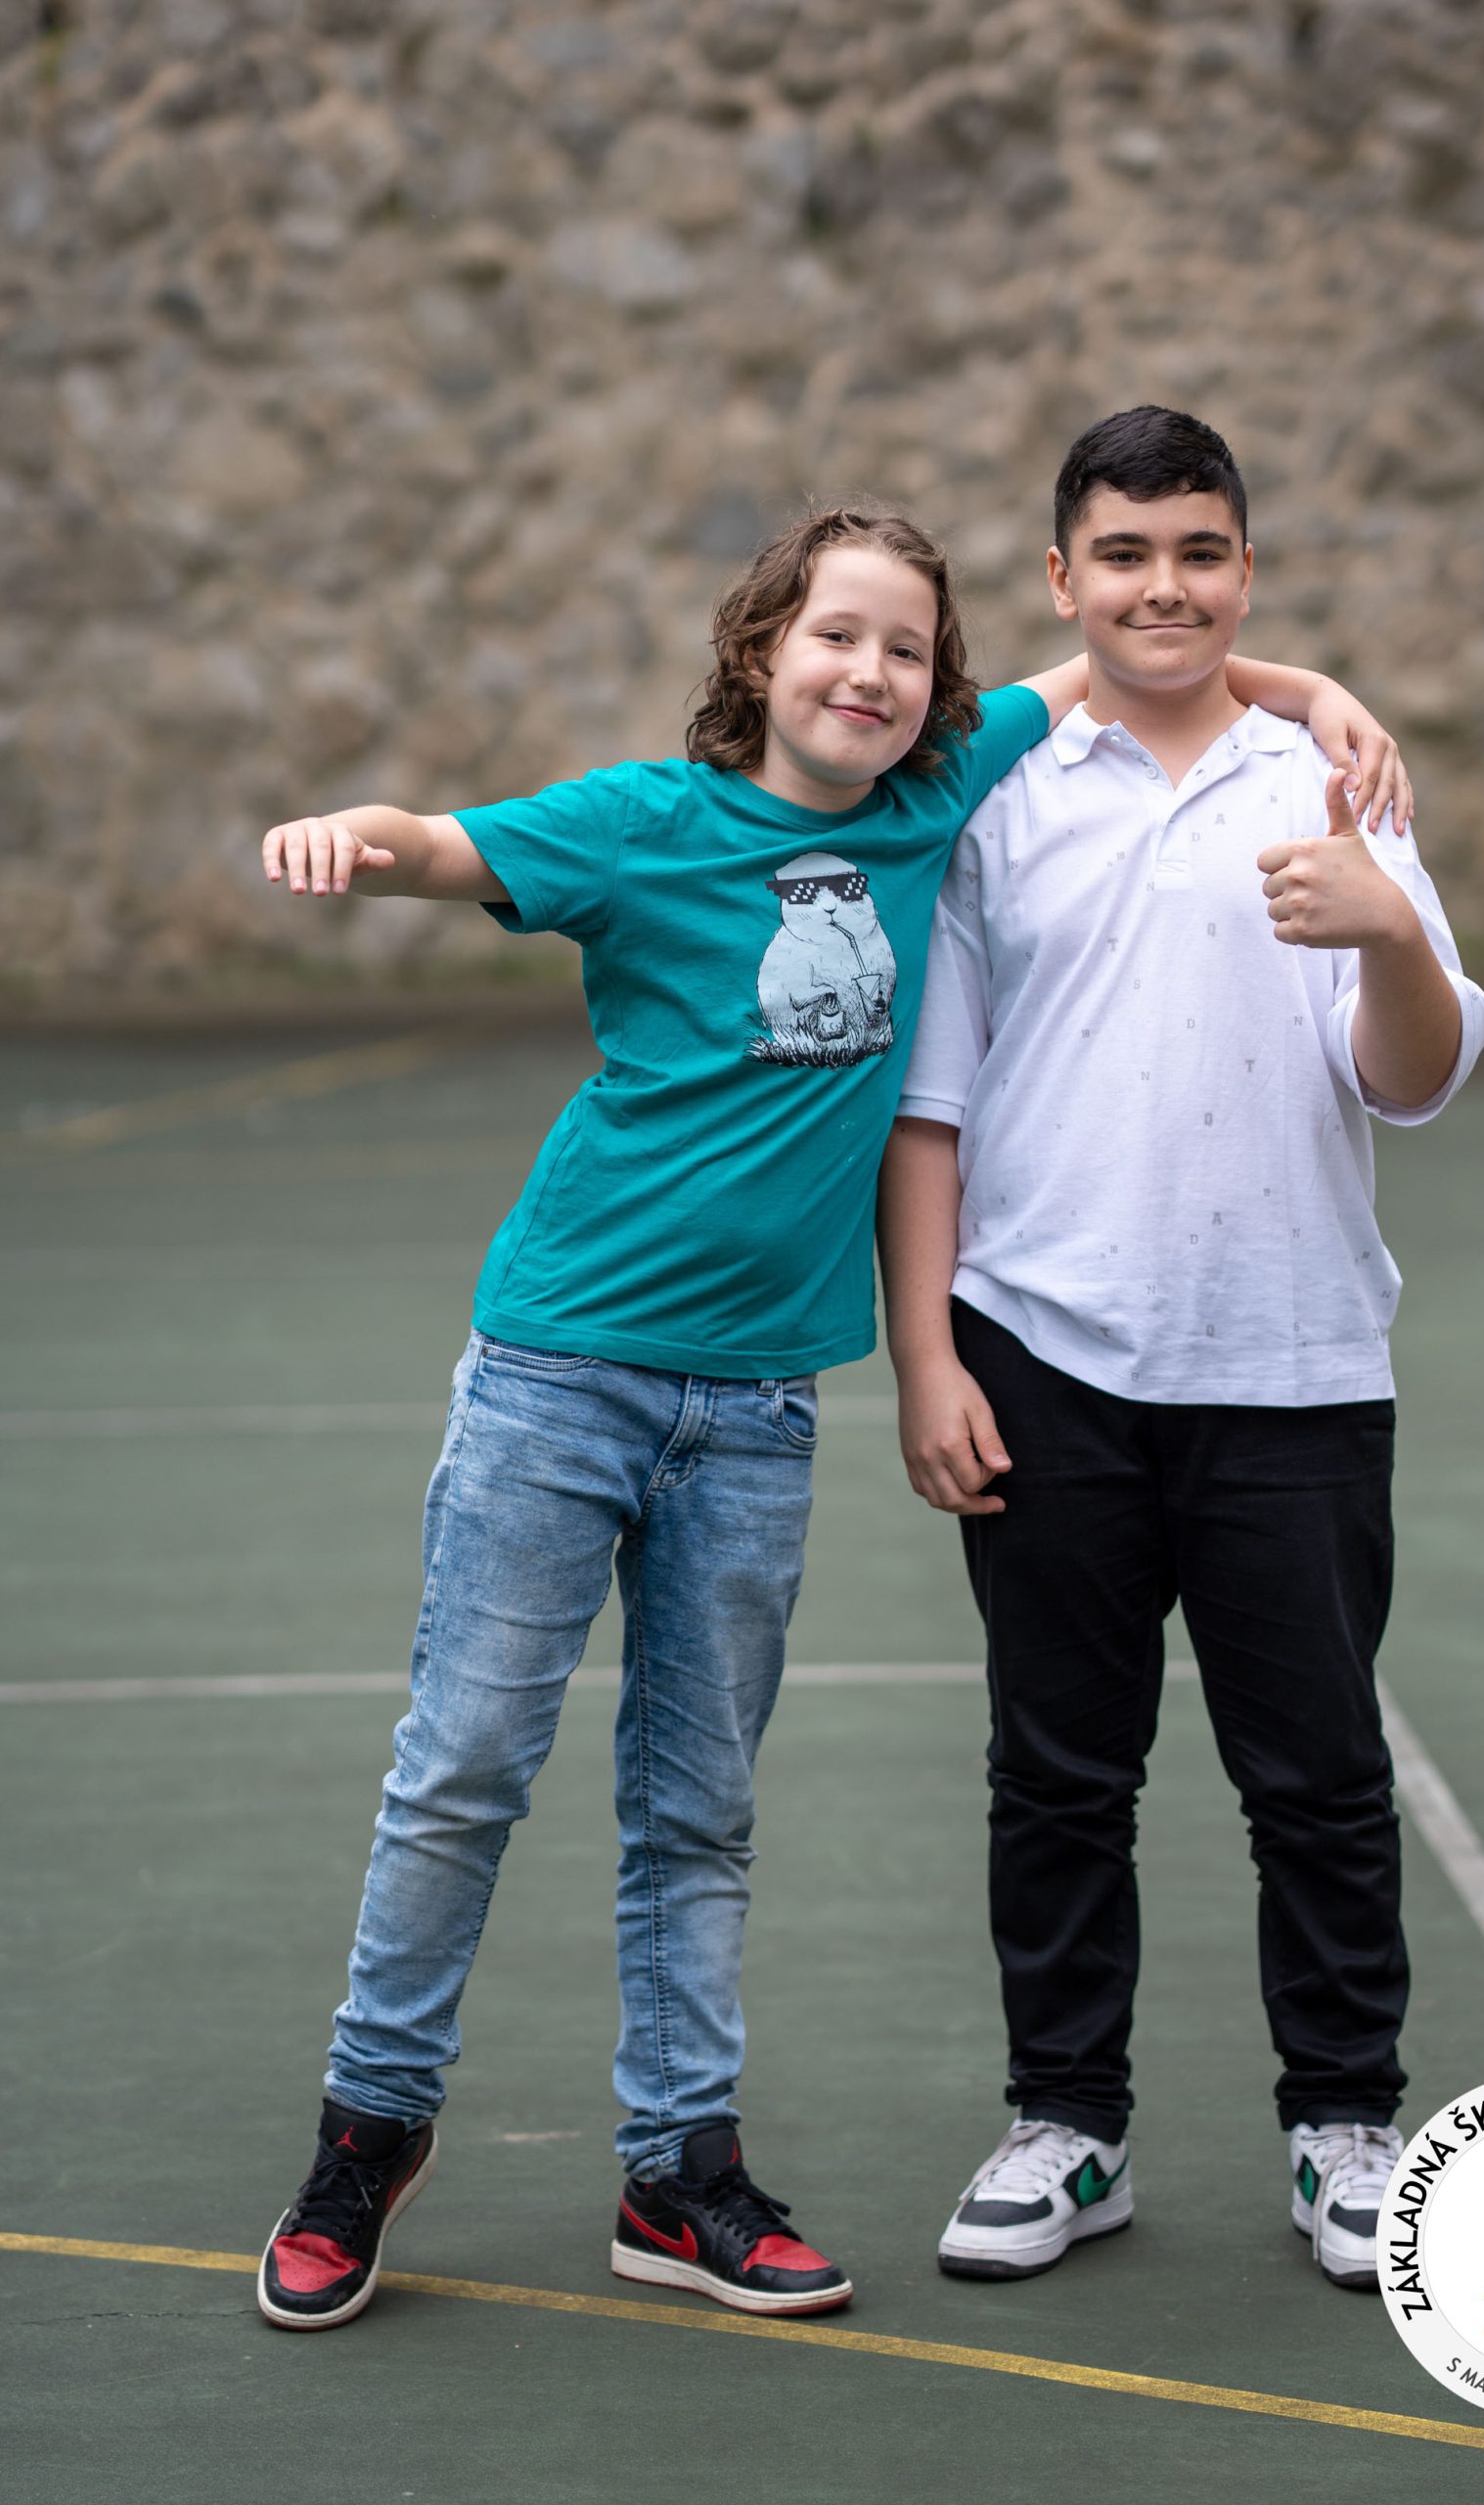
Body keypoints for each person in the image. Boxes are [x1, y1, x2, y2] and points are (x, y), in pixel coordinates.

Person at [251, 500, 1408, 2331]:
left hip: (754, 1411)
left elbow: (1127, 661)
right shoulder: (644, 822)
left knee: (698, 1812)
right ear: (760, 652)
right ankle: (365, 2136)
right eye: (833, 635)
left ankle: (677, 2175)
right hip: (561, 1374)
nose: (867, 672)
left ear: (938, 690)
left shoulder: (934, 798)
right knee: (463, 1767)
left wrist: (1313, 687)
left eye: (905, 649)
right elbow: (446, 842)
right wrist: (351, 840)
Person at [877, 408, 1484, 2295]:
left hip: (1294, 1363)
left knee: (1317, 1779)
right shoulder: (993, 791)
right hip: (1042, 1356)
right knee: (1057, 1775)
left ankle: (1346, 2128)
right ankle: (1066, 2127)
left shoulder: (1334, 780)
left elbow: (1414, 1077)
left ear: (1247, 570)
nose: (1167, 587)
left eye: (1201, 552)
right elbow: (929, 1110)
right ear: (1063, 579)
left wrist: (1387, 936)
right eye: (1126, 555)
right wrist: (926, 1362)